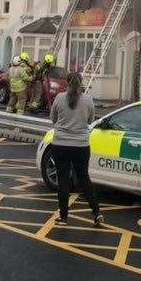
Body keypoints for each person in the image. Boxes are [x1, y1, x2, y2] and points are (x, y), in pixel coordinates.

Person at [48, 72, 102, 227]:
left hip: (61, 144)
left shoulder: (59, 98)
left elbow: (53, 119)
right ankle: (97, 213)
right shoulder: (88, 100)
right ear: (81, 83)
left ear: (67, 83)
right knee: (84, 179)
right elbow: (90, 120)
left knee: (63, 179)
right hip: (81, 146)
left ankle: (63, 217)